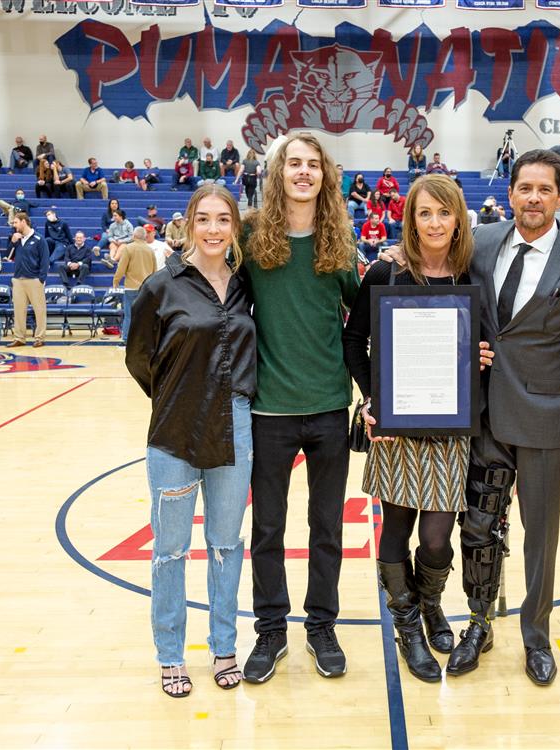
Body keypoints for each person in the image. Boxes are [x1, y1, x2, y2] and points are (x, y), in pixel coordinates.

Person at [444, 149, 560, 685]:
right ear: (511, 192)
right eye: (524, 188)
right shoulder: (480, 243)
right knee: (478, 526)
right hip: (486, 414)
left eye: (545, 189)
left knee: (541, 534)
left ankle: (536, 636)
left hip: (550, 418)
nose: (533, 198)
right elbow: (454, 310)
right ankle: (479, 621)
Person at [342, 174, 488, 682]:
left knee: (435, 538)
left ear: (457, 218)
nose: (434, 223)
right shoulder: (386, 271)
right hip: (398, 428)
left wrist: (481, 355)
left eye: (443, 213)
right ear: (411, 218)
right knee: (397, 527)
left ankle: (430, 604)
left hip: (450, 428)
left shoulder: (472, 273)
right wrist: (373, 396)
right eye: (424, 213)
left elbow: (480, 345)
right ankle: (406, 624)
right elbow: (353, 341)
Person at [125, 183, 256, 699]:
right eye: (204, 219)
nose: (214, 229)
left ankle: (224, 646)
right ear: (189, 223)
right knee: (170, 551)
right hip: (175, 431)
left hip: (235, 427)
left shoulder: (247, 285)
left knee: (225, 546)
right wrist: (177, 393)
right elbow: (138, 358)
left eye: (223, 220)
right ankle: (170, 655)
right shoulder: (161, 285)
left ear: (234, 227)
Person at [240, 133, 360, 684]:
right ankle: (270, 629)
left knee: (326, 526)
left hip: (331, 406)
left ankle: (321, 625)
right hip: (270, 410)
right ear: (278, 172)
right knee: (267, 527)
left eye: (313, 164)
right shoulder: (249, 236)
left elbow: (364, 325)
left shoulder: (340, 243)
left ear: (325, 175)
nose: (304, 172)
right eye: (295, 163)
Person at [4, 212, 49, 348]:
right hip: (18, 280)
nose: (14, 225)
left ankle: (40, 337)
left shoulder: (39, 239)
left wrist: (41, 278)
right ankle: (19, 338)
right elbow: (8, 256)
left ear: (24, 222)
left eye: (16, 222)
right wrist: (12, 242)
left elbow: (45, 260)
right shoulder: (15, 239)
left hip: (34, 279)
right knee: (18, 310)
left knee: (39, 310)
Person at [113, 227, 157, 343]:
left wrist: (116, 281)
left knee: (129, 315)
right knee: (146, 316)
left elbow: (121, 268)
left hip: (131, 288)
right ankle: (146, 339)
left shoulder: (129, 248)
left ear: (133, 236)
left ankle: (126, 339)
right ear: (145, 237)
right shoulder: (150, 250)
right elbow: (155, 271)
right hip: (147, 288)